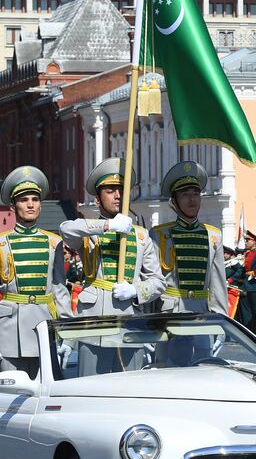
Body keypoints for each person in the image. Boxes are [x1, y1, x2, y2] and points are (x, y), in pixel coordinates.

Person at [59, 158, 162, 317]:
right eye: (110, 191)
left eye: (122, 190)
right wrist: (107, 225)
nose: (118, 195)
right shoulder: (89, 233)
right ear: (97, 199)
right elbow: (66, 229)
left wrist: (136, 290)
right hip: (93, 317)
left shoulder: (141, 236)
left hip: (128, 317)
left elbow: (158, 282)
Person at [0, 166, 69, 375]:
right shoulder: (2, 243)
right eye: (23, 200)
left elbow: (60, 291)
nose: (30, 204)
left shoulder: (53, 242)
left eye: (35, 199)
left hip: (44, 327)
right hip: (10, 332)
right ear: (13, 206)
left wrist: (67, 335)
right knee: (10, 398)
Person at [151, 161, 229, 316]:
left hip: (201, 311)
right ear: (174, 202)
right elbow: (152, 280)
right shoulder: (158, 235)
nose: (191, 199)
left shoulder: (213, 236)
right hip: (169, 312)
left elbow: (218, 286)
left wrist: (220, 321)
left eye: (195, 194)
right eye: (185, 194)